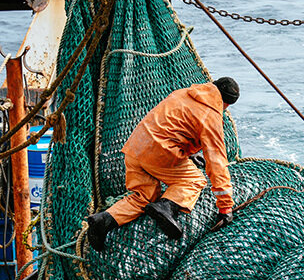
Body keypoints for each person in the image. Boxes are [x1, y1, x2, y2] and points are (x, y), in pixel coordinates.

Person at [86, 77, 240, 251]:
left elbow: (171, 127)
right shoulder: (211, 115)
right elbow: (217, 163)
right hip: (160, 154)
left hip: (135, 148)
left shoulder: (183, 93)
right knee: (194, 180)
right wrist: (225, 207)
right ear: (226, 103)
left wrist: (188, 155)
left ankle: (104, 220)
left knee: (144, 197)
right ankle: (166, 206)